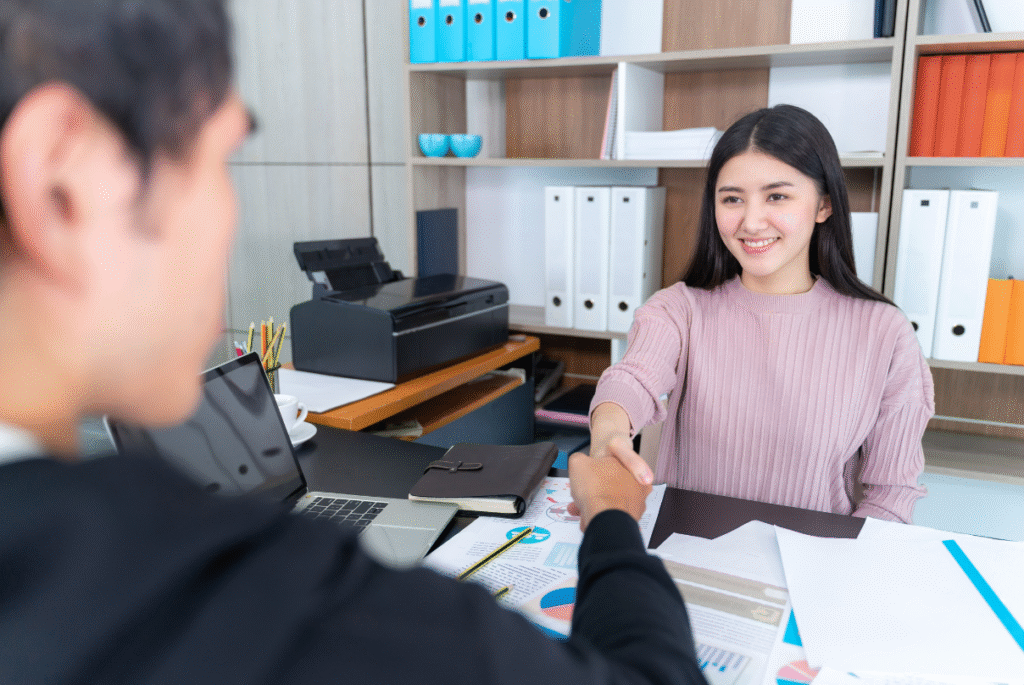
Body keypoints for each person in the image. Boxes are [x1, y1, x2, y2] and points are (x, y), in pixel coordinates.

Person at [0, 1, 705, 683]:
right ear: (63, 184)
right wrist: (612, 519)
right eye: (218, 159)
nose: (227, 215)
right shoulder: (249, 599)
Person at [588, 105, 934, 524]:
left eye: (777, 196)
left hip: (817, 567)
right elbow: (632, 379)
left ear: (824, 205)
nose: (751, 222)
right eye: (732, 199)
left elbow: (892, 495)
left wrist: (838, 575)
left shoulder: (885, 331)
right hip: (691, 556)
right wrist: (609, 434)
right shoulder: (680, 308)